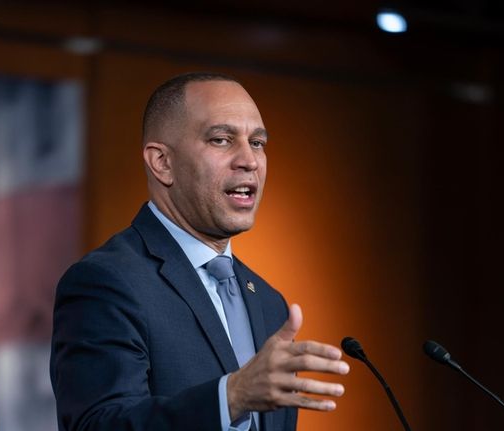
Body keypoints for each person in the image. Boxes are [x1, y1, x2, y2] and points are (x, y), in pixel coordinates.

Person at [50, 72, 350, 431]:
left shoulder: (271, 305)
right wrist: (232, 397)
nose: (249, 161)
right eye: (221, 140)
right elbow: (98, 426)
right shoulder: (106, 283)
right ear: (162, 162)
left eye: (257, 143)